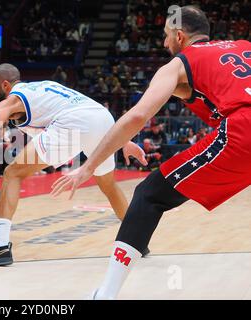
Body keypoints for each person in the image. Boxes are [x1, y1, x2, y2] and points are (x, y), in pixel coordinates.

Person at [51, 5, 251, 299]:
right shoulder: (244, 46)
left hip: (243, 130)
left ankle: (105, 294)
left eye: (166, 36)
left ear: (180, 36)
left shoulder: (178, 64)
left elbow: (136, 116)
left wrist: (88, 166)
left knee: (149, 194)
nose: (164, 43)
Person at [0, 63, 147, 266]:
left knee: (11, 173)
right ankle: (137, 239)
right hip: (102, 117)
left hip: (74, 123)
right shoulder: (42, 87)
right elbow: (90, 115)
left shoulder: (10, 102)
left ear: (6, 85)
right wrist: (121, 140)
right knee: (108, 184)